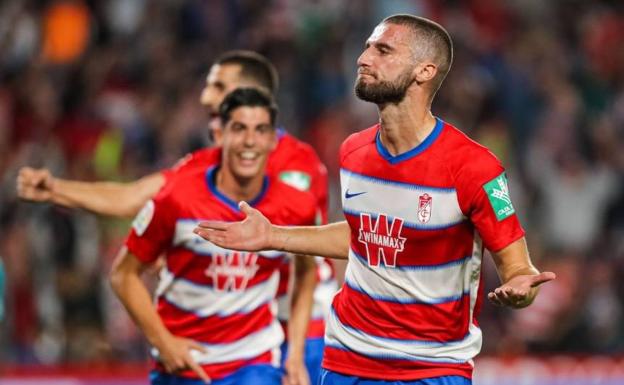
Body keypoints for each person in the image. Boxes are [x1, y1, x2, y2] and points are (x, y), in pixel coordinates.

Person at [193, 15, 556, 385]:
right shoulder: (353, 151)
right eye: (367, 47)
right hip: (347, 361)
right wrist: (272, 237)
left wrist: (520, 291)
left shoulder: (474, 167)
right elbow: (362, 236)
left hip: (431, 369)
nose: (363, 58)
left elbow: (518, 270)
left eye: (383, 50)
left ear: (424, 71)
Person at [16, 50, 337, 384]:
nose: (205, 95)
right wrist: (56, 190)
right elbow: (136, 198)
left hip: (301, 322)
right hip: (237, 321)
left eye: (217, 85)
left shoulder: (299, 168)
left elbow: (304, 256)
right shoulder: (205, 164)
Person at [111, 88, 317, 385]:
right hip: (184, 367)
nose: (249, 141)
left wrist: (294, 354)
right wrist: (164, 342)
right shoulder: (175, 198)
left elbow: (308, 272)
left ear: (273, 140)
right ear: (219, 135)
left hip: (255, 364)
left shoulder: (297, 206)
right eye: (239, 129)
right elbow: (123, 275)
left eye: (260, 130)